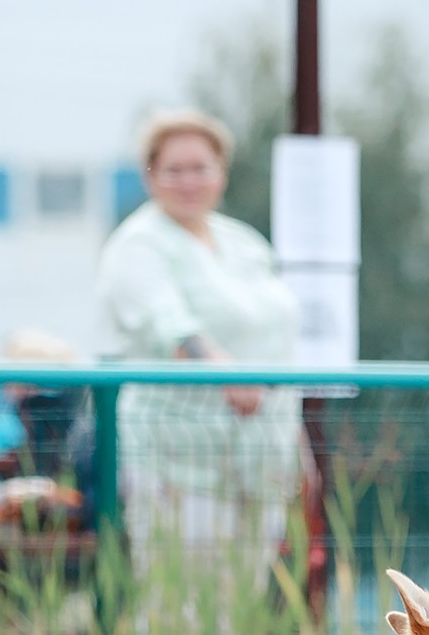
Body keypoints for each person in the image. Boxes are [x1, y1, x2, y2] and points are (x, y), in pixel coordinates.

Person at [95, 110, 303, 577]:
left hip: (258, 459)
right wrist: (226, 372)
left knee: (243, 606)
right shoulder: (137, 244)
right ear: (151, 176)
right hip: (176, 458)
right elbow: (169, 324)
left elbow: (278, 332)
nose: (188, 181)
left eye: (200, 167)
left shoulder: (244, 242)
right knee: (177, 606)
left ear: (221, 172)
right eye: (174, 169)